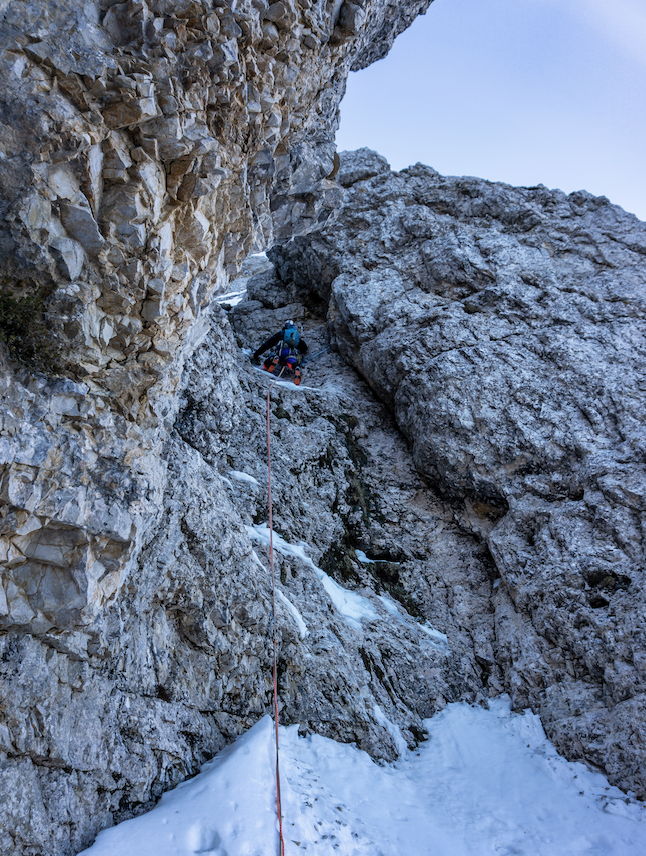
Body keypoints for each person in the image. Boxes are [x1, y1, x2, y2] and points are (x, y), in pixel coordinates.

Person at [252, 320, 308, 385]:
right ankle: (296, 368)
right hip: (291, 353)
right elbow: (304, 348)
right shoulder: (296, 336)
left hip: (281, 351)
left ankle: (272, 361)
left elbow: (268, 344)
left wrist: (255, 355)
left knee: (271, 358)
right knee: (292, 362)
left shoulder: (282, 333)